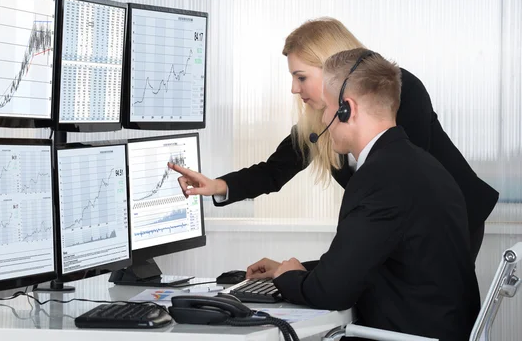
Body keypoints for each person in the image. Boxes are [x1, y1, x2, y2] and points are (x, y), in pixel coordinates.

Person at [169, 18, 498, 261]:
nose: (294, 90)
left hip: (452, 219)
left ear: (330, 68)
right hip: (403, 225)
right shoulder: (325, 119)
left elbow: (408, 183)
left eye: (301, 77)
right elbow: (274, 171)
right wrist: (217, 186)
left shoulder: (398, 90)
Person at [248, 48, 480, 340]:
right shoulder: (419, 163)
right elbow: (371, 259)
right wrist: (292, 270)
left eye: (327, 109)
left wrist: (288, 279)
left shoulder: (379, 176)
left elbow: (331, 292)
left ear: (347, 109)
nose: (322, 121)